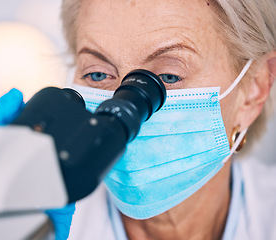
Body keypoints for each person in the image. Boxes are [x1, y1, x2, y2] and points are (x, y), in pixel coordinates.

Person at [57, 0, 276, 239]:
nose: (123, 107)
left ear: (254, 88)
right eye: (97, 74)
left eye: (168, 76)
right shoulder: (42, 219)